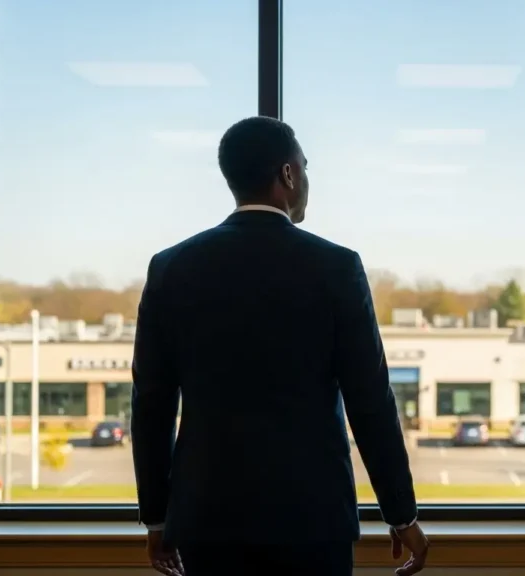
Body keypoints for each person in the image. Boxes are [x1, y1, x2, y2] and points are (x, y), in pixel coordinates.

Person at [130, 116, 430, 575]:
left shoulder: (171, 267)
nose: (307, 180)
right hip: (312, 520)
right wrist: (400, 512)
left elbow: (151, 403)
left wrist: (156, 517)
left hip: (208, 521)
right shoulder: (337, 268)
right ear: (287, 175)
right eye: (304, 168)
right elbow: (369, 401)